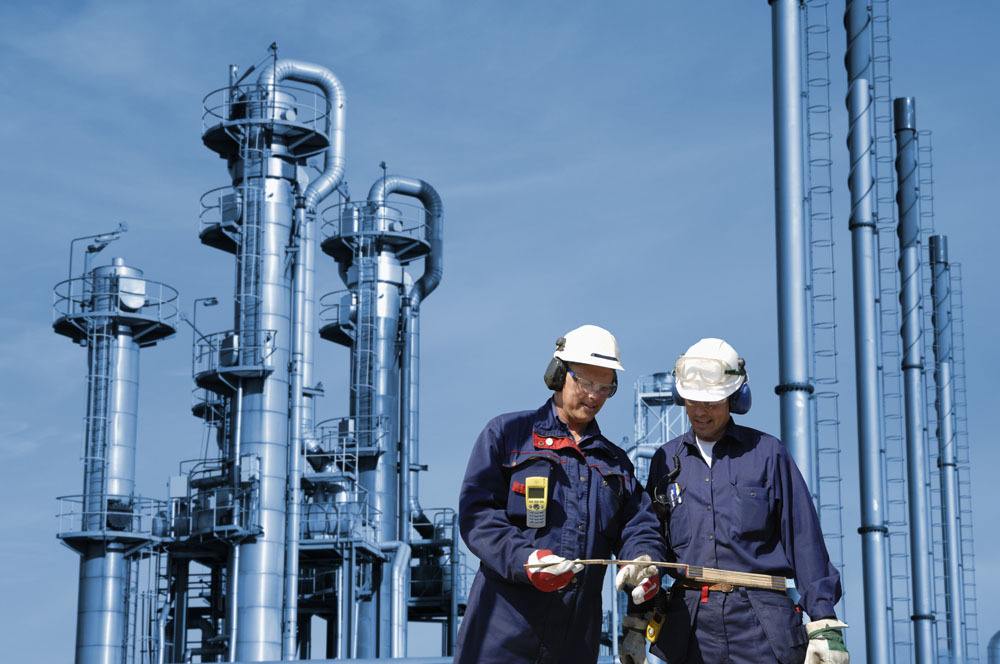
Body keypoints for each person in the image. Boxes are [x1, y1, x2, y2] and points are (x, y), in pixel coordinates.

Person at [455, 325, 666, 664]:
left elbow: (639, 525)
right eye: (585, 383)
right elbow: (478, 516)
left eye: (605, 387)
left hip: (573, 643)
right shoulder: (508, 436)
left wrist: (642, 559)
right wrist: (525, 559)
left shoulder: (615, 464)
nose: (594, 396)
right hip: (500, 638)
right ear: (557, 374)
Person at [631, 338, 848, 664]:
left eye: (711, 402)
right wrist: (636, 619)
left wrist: (824, 621)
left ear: (734, 398)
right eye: (692, 401)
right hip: (690, 627)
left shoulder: (767, 454)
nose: (700, 412)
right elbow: (650, 542)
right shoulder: (666, 460)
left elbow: (804, 540)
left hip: (761, 625)